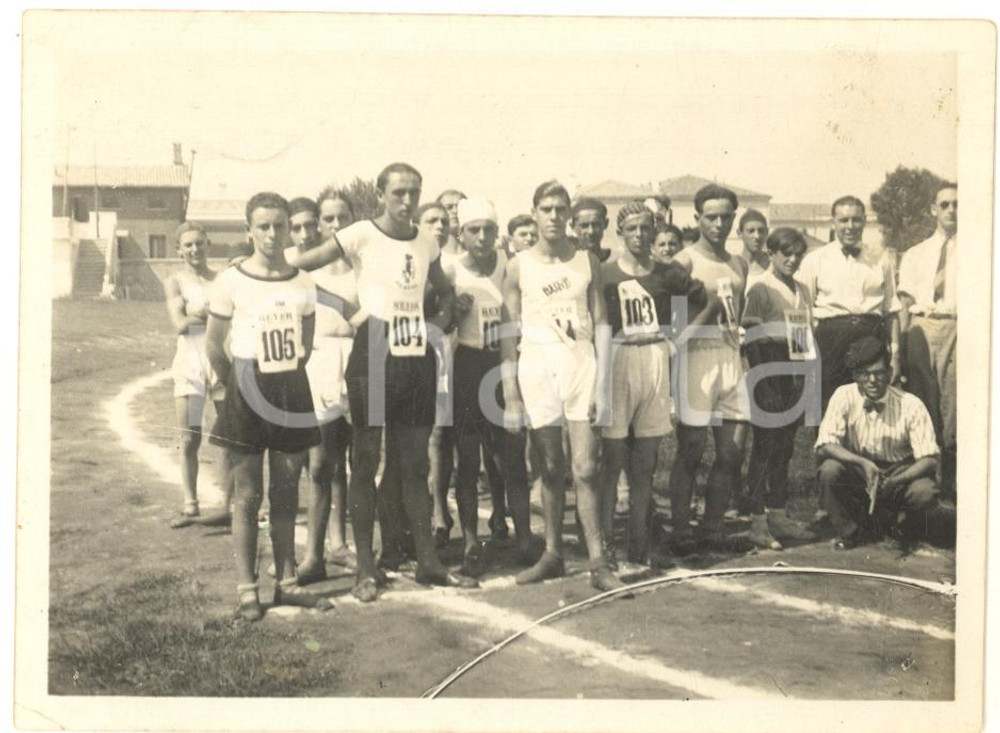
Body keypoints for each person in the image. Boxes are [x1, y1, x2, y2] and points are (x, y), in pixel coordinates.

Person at [292, 162, 478, 601]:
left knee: (414, 463)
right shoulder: (360, 233)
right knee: (367, 457)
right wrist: (348, 308)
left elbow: (442, 290)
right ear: (380, 193)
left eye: (414, 192)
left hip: (416, 356)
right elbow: (301, 268)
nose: (408, 201)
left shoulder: (427, 240)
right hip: (373, 351)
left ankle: (428, 562)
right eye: (399, 193)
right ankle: (366, 568)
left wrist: (441, 316)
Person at [206, 192, 330, 621]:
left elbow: (306, 344)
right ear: (249, 231)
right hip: (245, 387)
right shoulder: (231, 281)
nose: (273, 234)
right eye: (264, 226)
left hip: (290, 390)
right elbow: (214, 345)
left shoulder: (302, 282)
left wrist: (283, 381)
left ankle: (287, 582)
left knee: (285, 491)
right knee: (247, 494)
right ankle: (247, 589)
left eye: (280, 225)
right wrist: (236, 387)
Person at [500, 180, 622, 592]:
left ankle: (598, 561)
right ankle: (552, 553)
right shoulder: (518, 265)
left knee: (587, 466)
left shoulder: (587, 261)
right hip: (537, 365)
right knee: (549, 467)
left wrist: (602, 386)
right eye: (546, 208)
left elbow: (602, 322)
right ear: (534, 213)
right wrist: (512, 395)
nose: (554, 216)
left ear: (569, 213)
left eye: (560, 208)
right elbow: (507, 334)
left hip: (580, 362)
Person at [598, 202, 703, 569]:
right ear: (620, 233)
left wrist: (678, 337)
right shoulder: (605, 274)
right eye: (632, 229)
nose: (640, 235)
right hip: (618, 359)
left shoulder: (668, 272)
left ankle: (638, 546)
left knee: (646, 462)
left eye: (646, 228)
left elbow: (705, 301)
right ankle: (606, 546)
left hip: (655, 359)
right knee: (611, 463)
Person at [447, 197, 537, 572]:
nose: (482, 237)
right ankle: (470, 542)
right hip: (468, 364)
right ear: (461, 234)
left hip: (505, 366)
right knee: (468, 461)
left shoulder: (510, 264)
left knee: (513, 457)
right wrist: (452, 310)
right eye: (473, 230)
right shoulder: (450, 270)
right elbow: (435, 318)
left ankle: (525, 538)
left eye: (488, 229)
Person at [668, 184, 754, 555]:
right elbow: (673, 328)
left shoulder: (740, 263)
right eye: (711, 217)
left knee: (733, 450)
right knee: (690, 449)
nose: (719, 224)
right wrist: (710, 311)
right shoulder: (684, 262)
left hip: (730, 358)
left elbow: (738, 315)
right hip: (695, 358)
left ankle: (713, 524)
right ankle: (680, 527)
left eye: (725, 217)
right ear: (697, 218)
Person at [815, 336, 955, 550]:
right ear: (855, 375)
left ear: (890, 373)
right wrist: (862, 463)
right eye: (865, 374)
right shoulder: (843, 396)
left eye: (879, 373)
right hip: (860, 472)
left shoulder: (910, 404)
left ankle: (907, 528)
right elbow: (825, 444)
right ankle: (853, 531)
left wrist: (897, 480)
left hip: (900, 472)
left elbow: (929, 460)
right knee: (829, 470)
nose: (873, 380)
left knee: (924, 493)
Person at [284, 195, 361, 581]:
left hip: (358, 358)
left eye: (341, 217)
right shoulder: (300, 264)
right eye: (327, 218)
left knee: (346, 459)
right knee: (319, 462)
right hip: (318, 361)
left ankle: (339, 545)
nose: (333, 224)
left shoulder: (362, 263)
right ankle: (312, 554)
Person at [741, 228, 819, 549]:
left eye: (798, 253)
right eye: (785, 253)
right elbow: (753, 337)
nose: (792, 259)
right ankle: (756, 521)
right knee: (765, 447)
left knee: (785, 447)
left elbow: (802, 337)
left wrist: (802, 376)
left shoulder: (801, 289)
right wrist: (763, 382)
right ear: (771, 253)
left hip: (793, 371)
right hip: (767, 369)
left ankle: (778, 513)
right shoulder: (761, 287)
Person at [796, 195, 902, 410]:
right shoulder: (815, 260)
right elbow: (799, 313)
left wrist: (896, 356)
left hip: (871, 337)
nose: (850, 226)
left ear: (864, 221)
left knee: (870, 408)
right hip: (830, 341)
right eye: (844, 220)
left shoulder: (882, 259)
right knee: (829, 407)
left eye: (856, 220)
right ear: (832, 222)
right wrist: (803, 360)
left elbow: (891, 310)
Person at [165, 221, 234, 529]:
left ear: (208, 244)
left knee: (228, 436)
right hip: (191, 361)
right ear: (179, 249)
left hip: (219, 357)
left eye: (199, 243)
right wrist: (211, 314)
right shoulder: (175, 281)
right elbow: (180, 324)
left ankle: (229, 504)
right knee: (190, 437)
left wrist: (200, 315)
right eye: (188, 245)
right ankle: (190, 503)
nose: (194, 249)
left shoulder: (223, 277)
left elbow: (232, 313)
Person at [898, 182, 957, 499]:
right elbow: (905, 305)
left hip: (957, 328)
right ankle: (926, 487)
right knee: (923, 406)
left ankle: (952, 488)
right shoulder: (915, 253)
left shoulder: (979, 250)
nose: (951, 210)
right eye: (944, 204)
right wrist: (902, 348)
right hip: (922, 329)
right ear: (933, 210)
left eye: (956, 204)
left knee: (954, 411)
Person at [428, 190, 467, 547]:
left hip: (453, 347)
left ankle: (442, 510)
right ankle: (432, 510)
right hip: (416, 348)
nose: (441, 224)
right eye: (433, 220)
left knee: (447, 433)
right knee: (427, 435)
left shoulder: (465, 258)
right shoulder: (411, 255)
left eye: (446, 218)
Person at [570, 197, 612, 263]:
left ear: (605, 224)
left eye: (596, 225)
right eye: (584, 226)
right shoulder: (568, 262)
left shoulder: (615, 260)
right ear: (572, 226)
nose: (591, 232)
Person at [737, 209, 770, 292]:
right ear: (739, 233)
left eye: (761, 231)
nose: (757, 236)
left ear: (767, 232)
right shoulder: (734, 265)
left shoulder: (774, 266)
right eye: (751, 231)